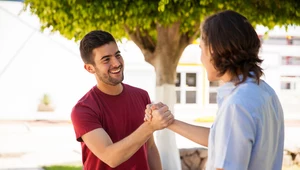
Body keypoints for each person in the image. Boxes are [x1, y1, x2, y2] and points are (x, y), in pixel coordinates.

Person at [145, 10, 284, 170]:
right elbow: (220, 139)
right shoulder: (265, 92)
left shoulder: (236, 104)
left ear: (214, 50)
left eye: (201, 49)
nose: (201, 58)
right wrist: (169, 122)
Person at [71, 30, 174, 170]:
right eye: (106, 59)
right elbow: (111, 157)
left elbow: (149, 148)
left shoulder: (141, 96)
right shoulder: (83, 109)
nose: (116, 63)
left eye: (117, 55)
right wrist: (150, 126)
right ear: (90, 68)